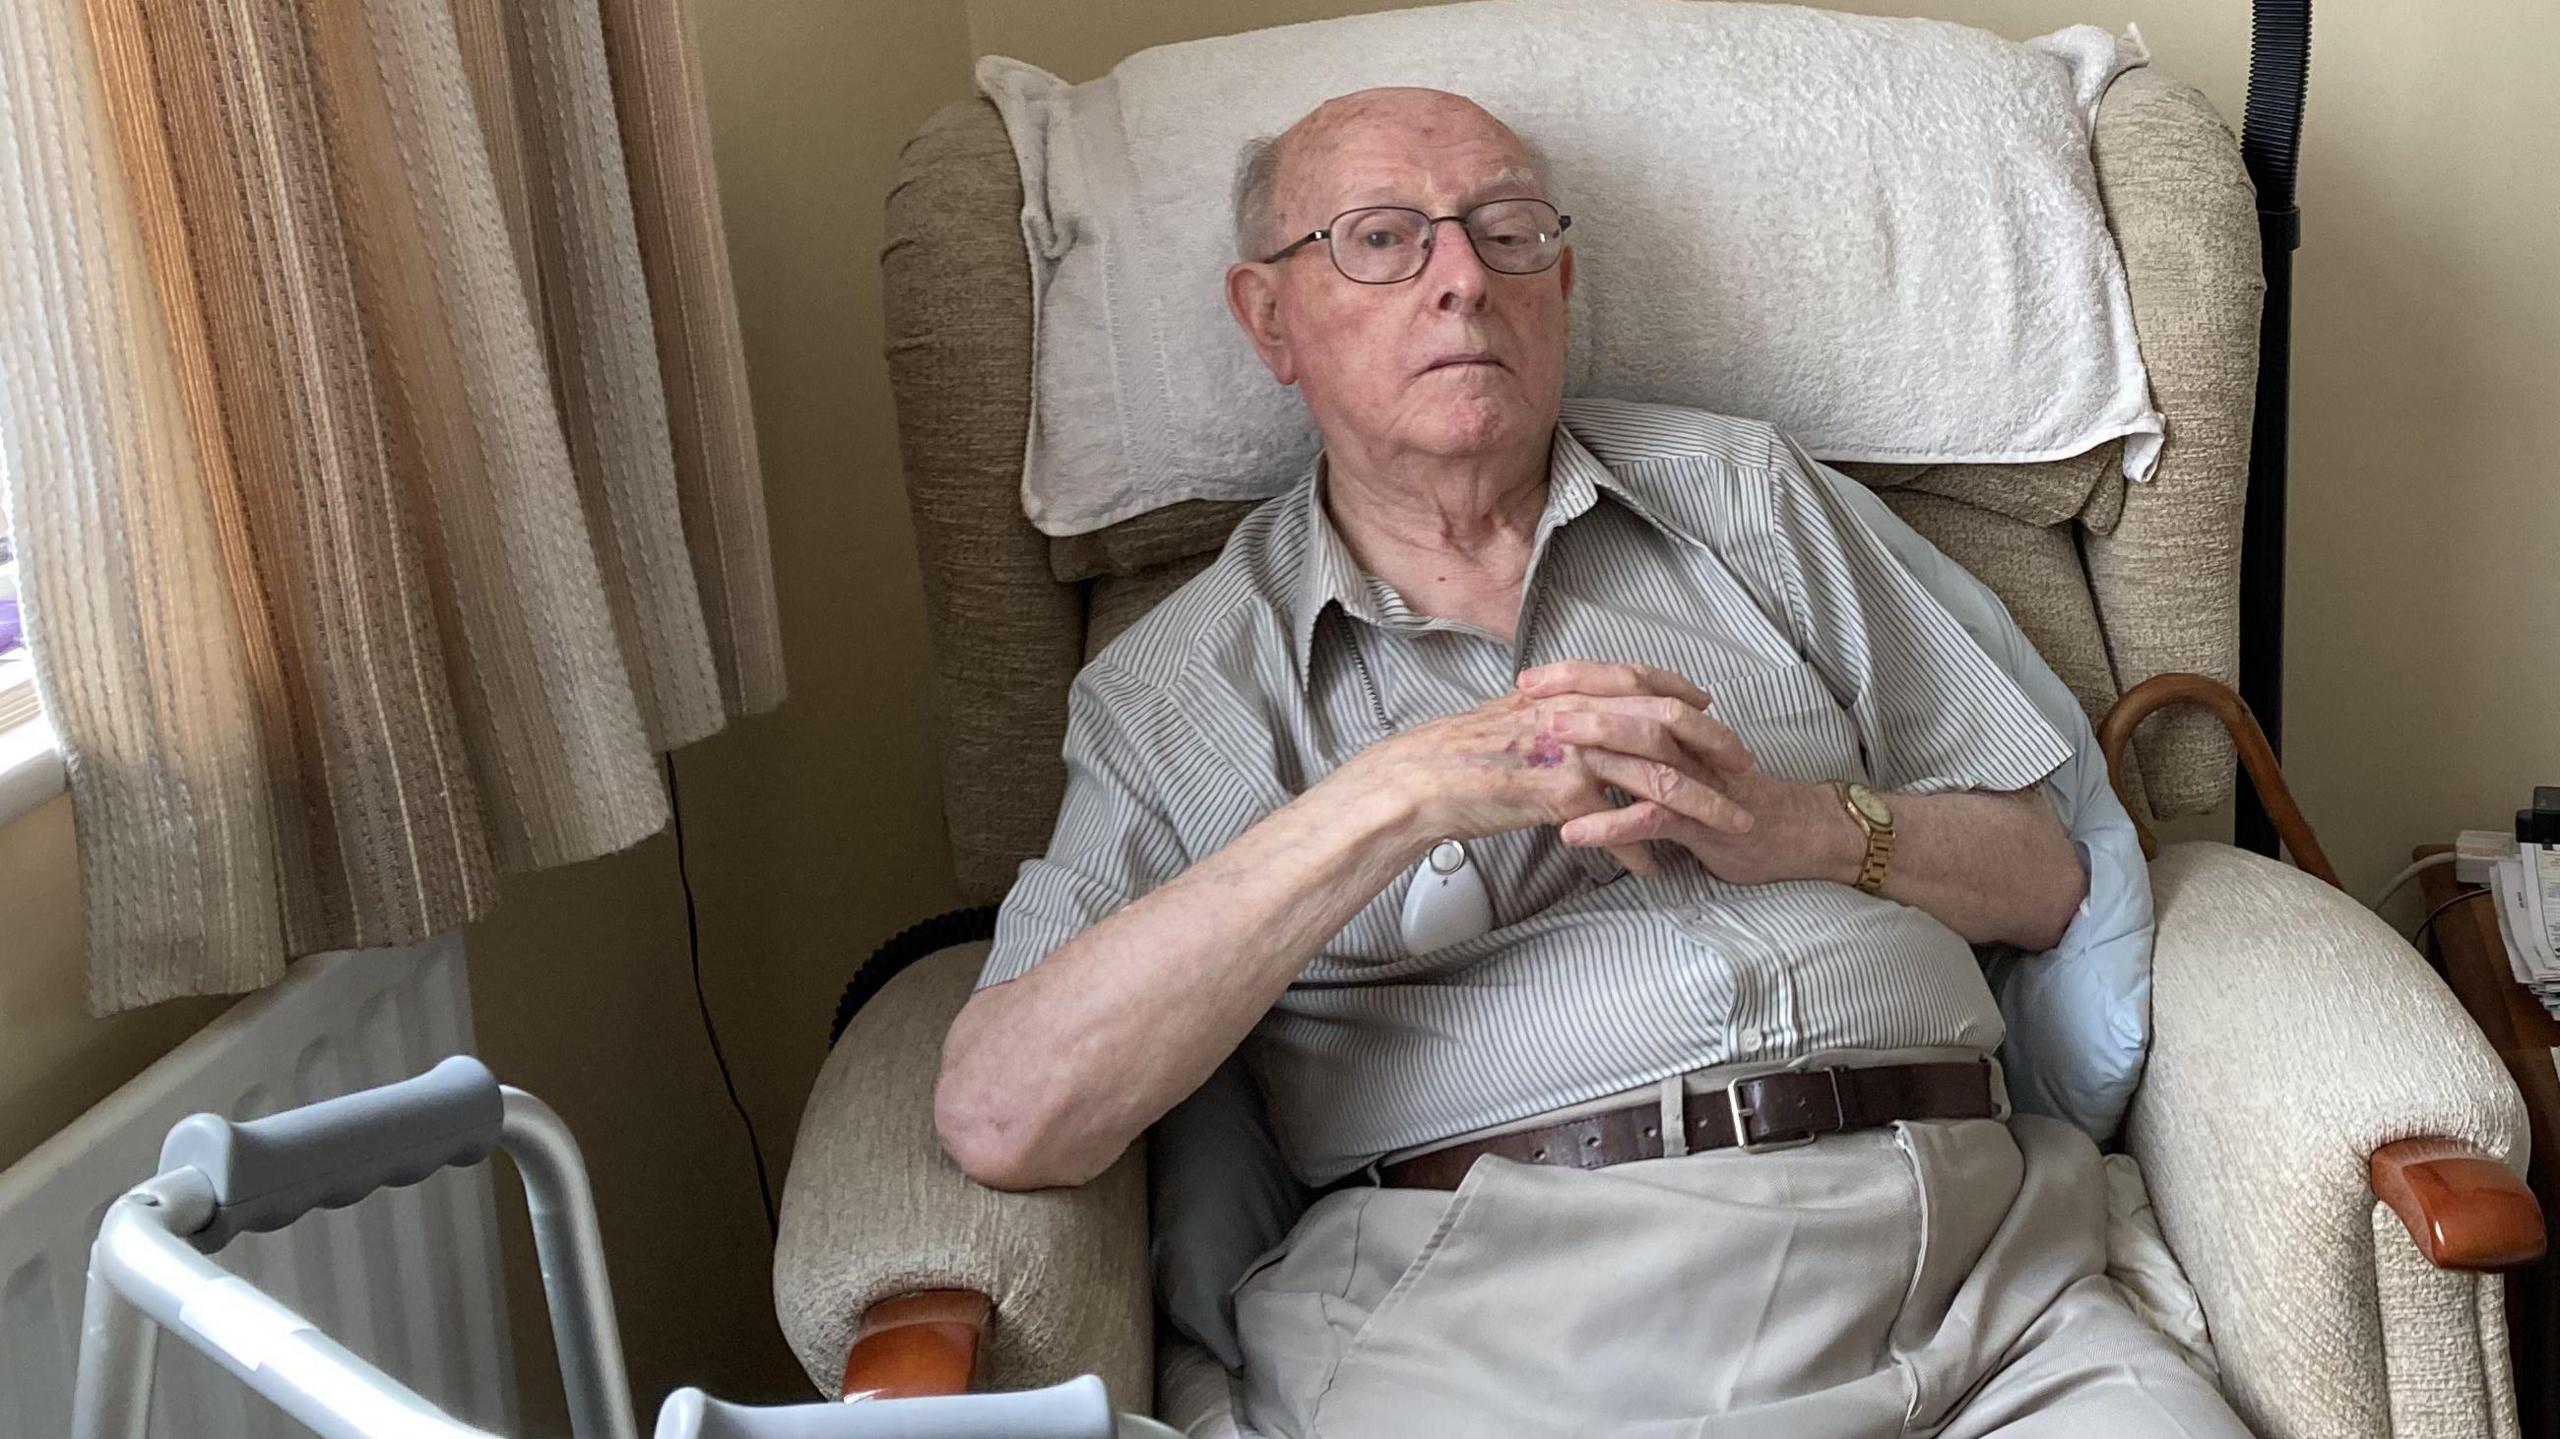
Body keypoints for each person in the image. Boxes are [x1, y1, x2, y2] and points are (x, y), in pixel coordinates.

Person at [935, 86, 2249, 1439]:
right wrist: (1398, 797)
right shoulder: (1185, 685)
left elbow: (2048, 879)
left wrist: (1799, 824)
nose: (1462, 282)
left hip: (1976, 1281)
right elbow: (1006, 1110)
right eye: (1382, 240)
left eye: (1506, 233)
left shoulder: (1752, 499)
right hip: (1519, 1339)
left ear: (1558, 283)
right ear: (1269, 318)